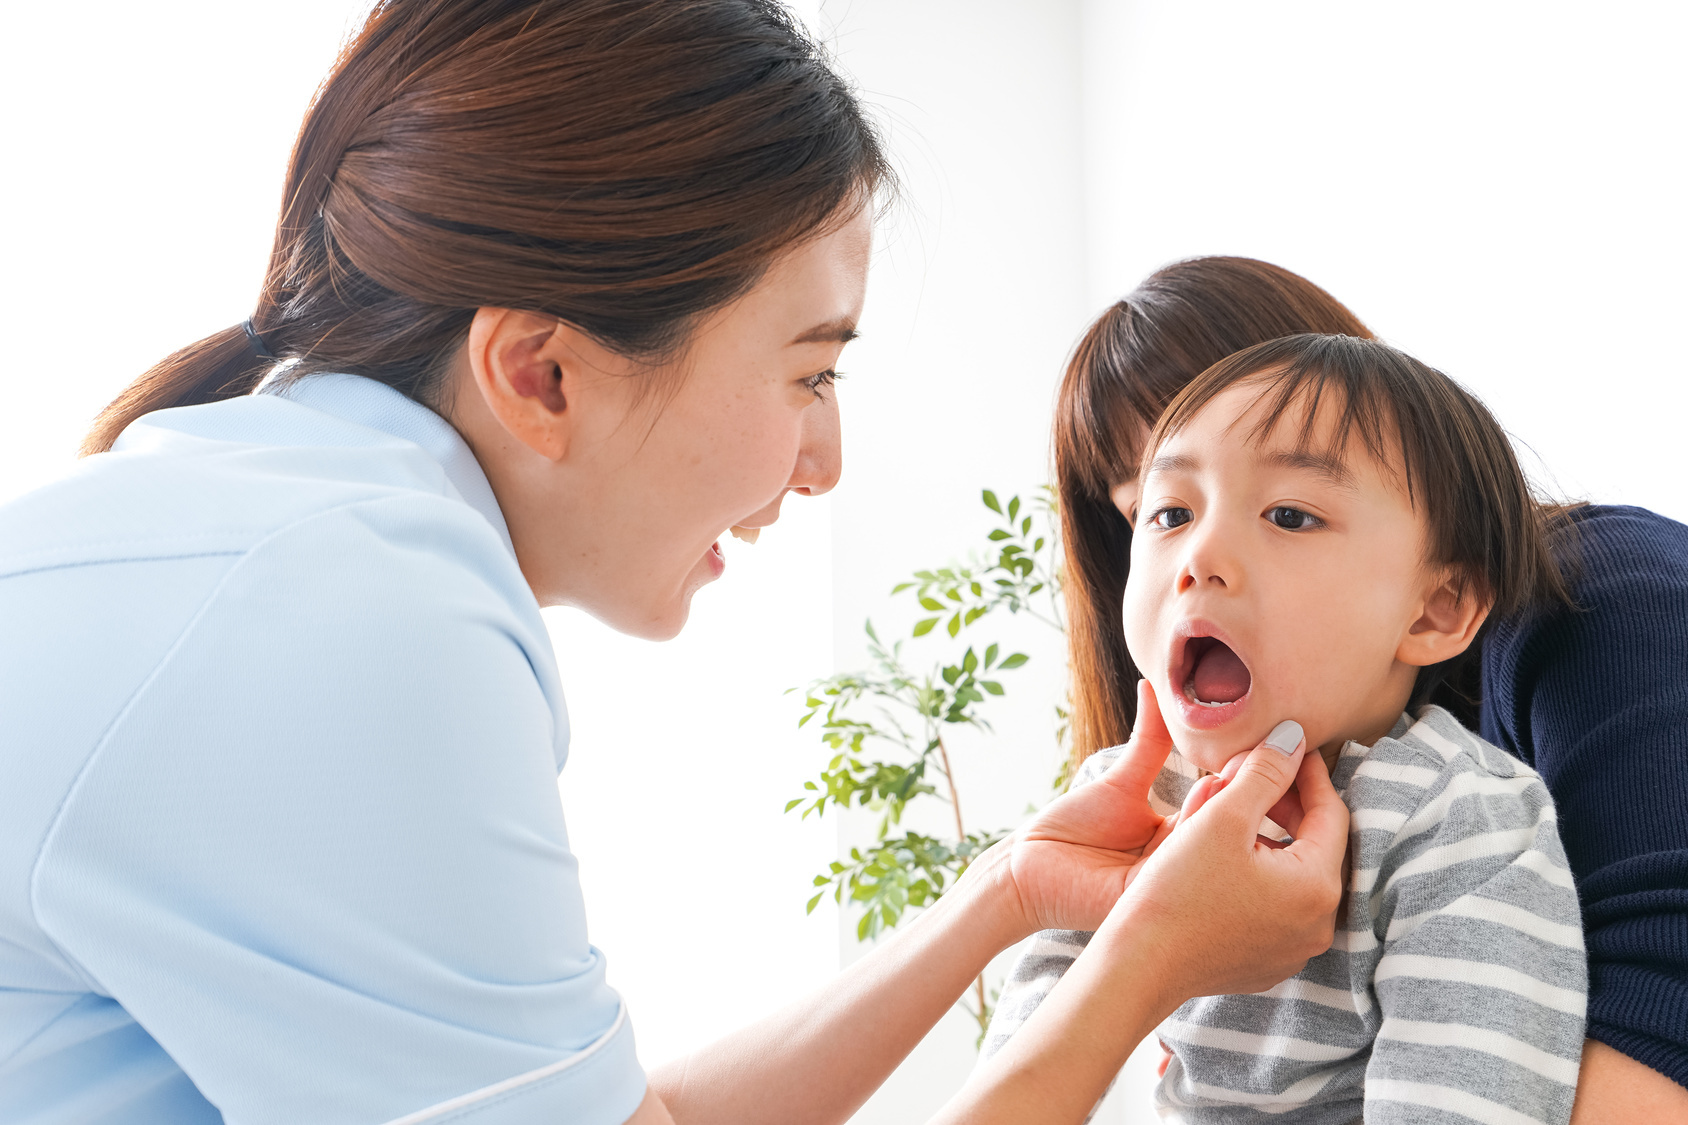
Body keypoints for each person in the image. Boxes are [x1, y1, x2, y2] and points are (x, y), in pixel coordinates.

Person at [0, 6, 1351, 1124]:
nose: (824, 461)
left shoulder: (284, 526)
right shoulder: (344, 622)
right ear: (540, 372)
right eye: (811, 371)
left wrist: (1007, 896)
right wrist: (1139, 964)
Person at [991, 257, 1688, 1120]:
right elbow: (1023, 1058)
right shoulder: (1128, 794)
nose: (1201, 558)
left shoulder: (1463, 807)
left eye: (1286, 511)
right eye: (1164, 512)